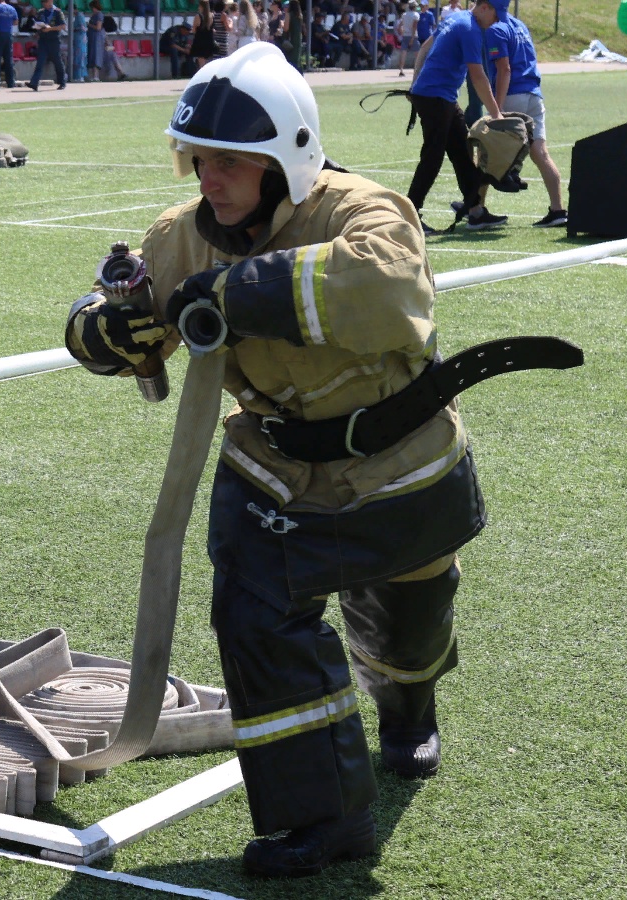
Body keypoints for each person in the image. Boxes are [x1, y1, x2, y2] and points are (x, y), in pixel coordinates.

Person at [65, 42, 484, 877]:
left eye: (230, 162)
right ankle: (322, 820)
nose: (208, 179)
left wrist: (238, 292)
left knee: (407, 633)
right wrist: (103, 332)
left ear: (287, 159)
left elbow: (385, 292)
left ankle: (407, 709)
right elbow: (123, 313)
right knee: (255, 624)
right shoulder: (179, 238)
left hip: (399, 466)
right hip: (274, 467)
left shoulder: (368, 212)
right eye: (198, 160)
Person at [405, 0, 509, 231]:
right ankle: (409, 216)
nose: (497, 21)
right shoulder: (470, 29)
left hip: (440, 97)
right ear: (484, 7)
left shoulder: (455, 18)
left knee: (462, 152)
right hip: (436, 97)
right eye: (496, 15)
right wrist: (496, 114)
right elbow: (478, 76)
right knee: (433, 156)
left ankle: (475, 211)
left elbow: (424, 49)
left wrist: (415, 85)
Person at [484, 15, 567, 226]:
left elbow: (505, 69)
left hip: (512, 95)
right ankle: (558, 210)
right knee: (541, 154)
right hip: (534, 94)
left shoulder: (496, 29)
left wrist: (498, 109)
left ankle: (476, 208)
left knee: (488, 152)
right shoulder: (519, 24)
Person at [28, 0, 67, 90]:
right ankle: (34, 83)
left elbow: (63, 26)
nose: (45, 4)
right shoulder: (40, 12)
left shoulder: (57, 12)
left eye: (47, 2)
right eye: (44, 2)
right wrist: (38, 28)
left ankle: (62, 82)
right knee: (40, 62)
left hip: (54, 40)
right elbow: (37, 23)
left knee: (57, 62)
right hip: (43, 40)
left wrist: (51, 29)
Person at [88, 1, 125, 80]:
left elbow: (98, 28)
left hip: (97, 41)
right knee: (109, 56)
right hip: (96, 40)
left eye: (92, 8)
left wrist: (89, 25)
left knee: (96, 57)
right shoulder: (96, 16)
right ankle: (120, 72)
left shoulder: (98, 16)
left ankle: (96, 76)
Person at [0, 0, 19, 87]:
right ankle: (10, 83)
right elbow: (16, 22)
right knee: (8, 60)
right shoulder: (11, 8)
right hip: (8, 35)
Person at [190, 0, 221, 67]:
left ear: (201, 6)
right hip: (209, 40)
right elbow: (213, 29)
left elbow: (194, 29)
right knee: (209, 61)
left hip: (200, 40)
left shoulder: (198, 16)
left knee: (201, 62)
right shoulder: (211, 15)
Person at [395, 1, 421, 73]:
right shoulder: (416, 15)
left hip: (405, 35)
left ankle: (401, 69)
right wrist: (412, 38)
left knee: (403, 53)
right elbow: (414, 27)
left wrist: (402, 32)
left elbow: (400, 26)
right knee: (417, 54)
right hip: (413, 36)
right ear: (414, 7)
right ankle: (419, 69)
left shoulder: (404, 14)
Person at [71, 5, 90, 82]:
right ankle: (78, 75)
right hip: (78, 39)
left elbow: (83, 28)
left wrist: (74, 29)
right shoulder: (78, 16)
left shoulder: (79, 16)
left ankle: (80, 76)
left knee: (80, 57)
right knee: (78, 56)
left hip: (80, 39)